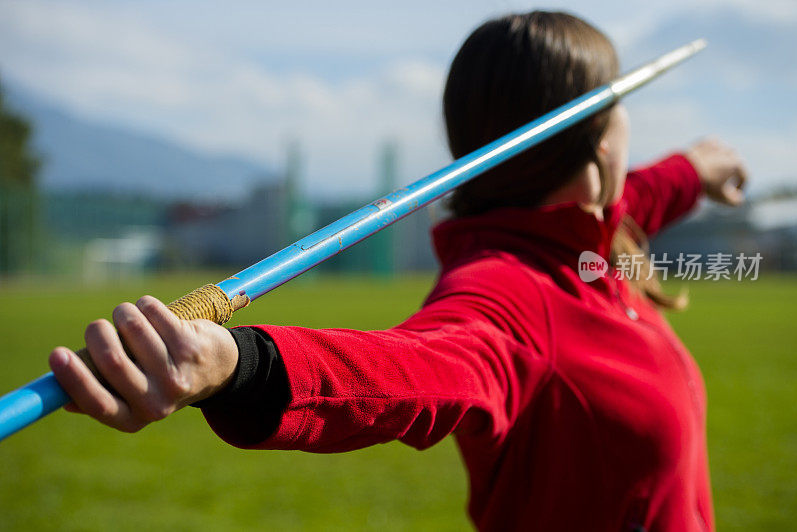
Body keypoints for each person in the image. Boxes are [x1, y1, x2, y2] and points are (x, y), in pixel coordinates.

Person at [48, 11, 747, 532]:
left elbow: (648, 190)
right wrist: (240, 365)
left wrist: (698, 168)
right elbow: (413, 370)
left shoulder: (591, 242)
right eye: (620, 107)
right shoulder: (509, 292)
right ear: (596, 141)